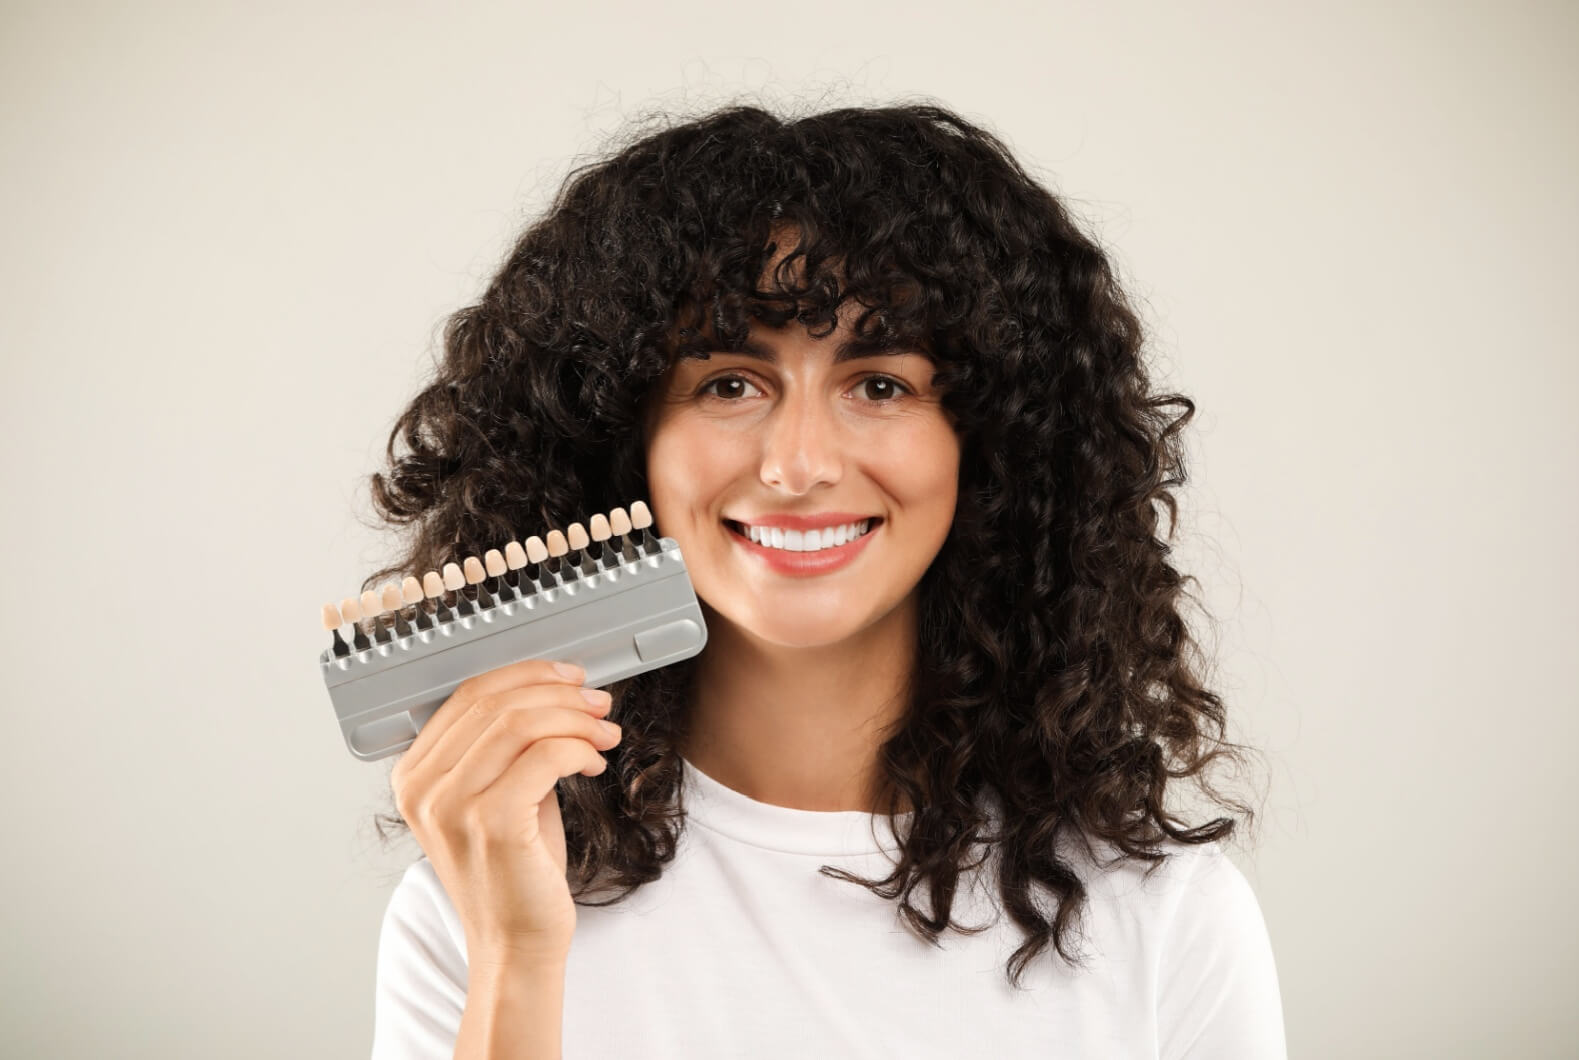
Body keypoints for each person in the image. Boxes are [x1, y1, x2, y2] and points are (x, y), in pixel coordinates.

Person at [362, 100, 1287, 1059]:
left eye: (880, 385)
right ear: (623, 441)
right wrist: (515, 955)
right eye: (728, 384)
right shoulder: (484, 901)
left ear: (992, 447)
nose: (797, 465)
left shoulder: (1164, 919)